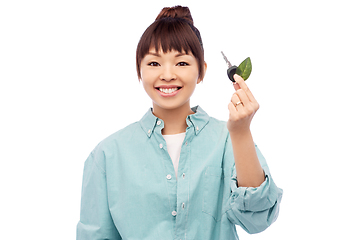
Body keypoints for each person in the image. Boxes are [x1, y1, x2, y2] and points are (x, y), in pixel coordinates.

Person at [76, 5, 283, 240]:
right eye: (154, 63)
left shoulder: (228, 140)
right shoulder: (106, 155)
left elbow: (258, 218)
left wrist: (242, 132)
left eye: (181, 63)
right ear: (139, 70)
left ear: (201, 71)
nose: (167, 74)